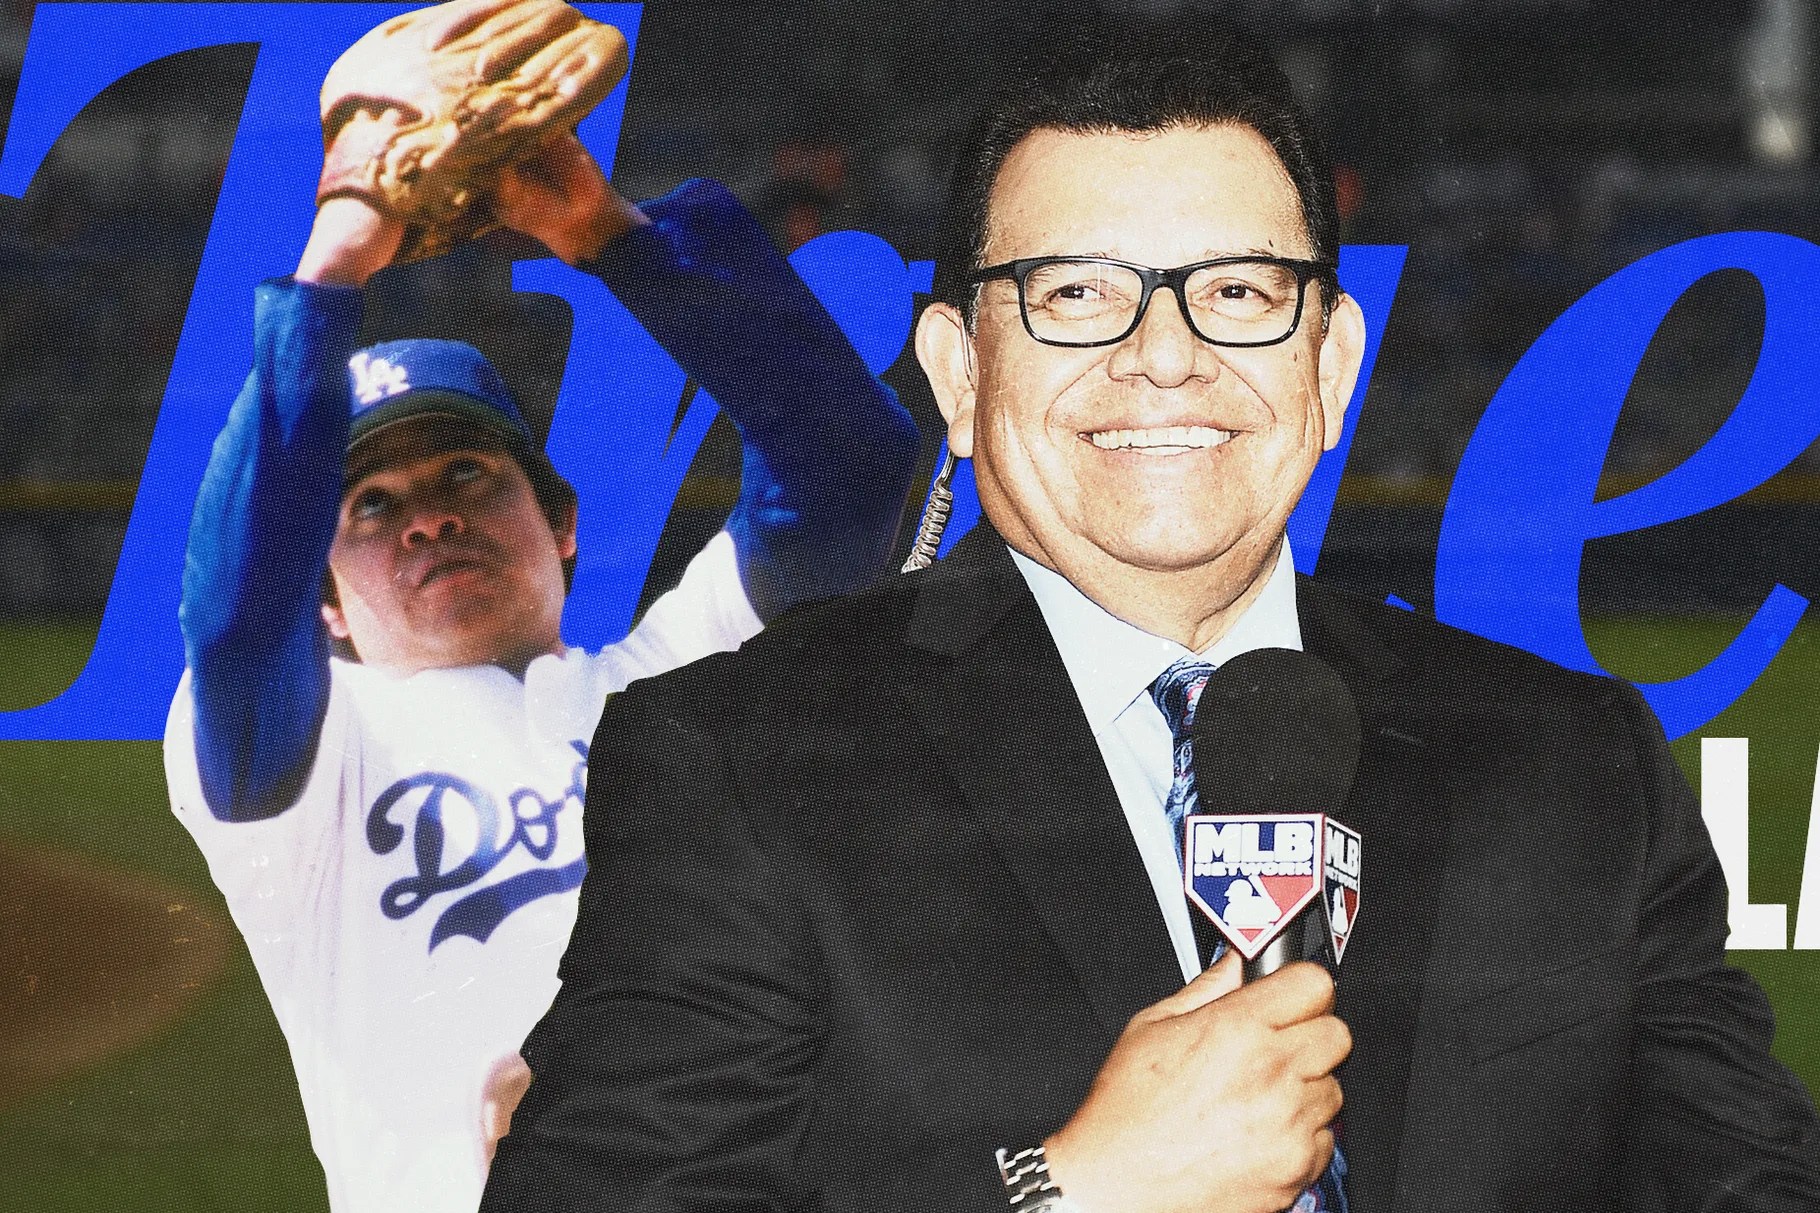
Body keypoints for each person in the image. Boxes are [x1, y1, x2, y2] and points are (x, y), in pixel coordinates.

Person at [481, 18, 1820, 1213]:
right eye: (1075, 294)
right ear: (958, 374)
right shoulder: (738, 759)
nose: (1165, 354)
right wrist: (1069, 1190)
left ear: (1331, 362)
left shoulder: (1577, 760)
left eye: (1237, 291)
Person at [160, 117, 918, 1213]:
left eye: (466, 474)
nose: (428, 519)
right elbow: (236, 620)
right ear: (321, 598)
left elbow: (848, 465)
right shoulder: (317, 777)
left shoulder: (688, 677)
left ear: (561, 521)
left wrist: (610, 234)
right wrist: (327, 274)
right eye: (371, 505)